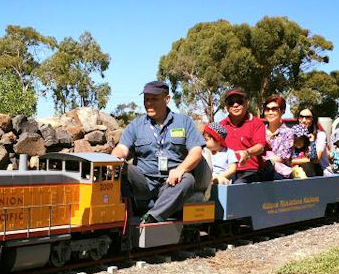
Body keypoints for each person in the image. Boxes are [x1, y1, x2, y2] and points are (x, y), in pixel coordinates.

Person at [112, 81, 206, 223]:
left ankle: (152, 217)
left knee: (188, 179)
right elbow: (122, 148)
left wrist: (180, 170)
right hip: (143, 183)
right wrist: (115, 157)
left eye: (154, 99)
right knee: (121, 167)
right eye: (146, 99)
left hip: (171, 183)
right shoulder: (136, 125)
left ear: (166, 99)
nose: (149, 103)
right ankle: (122, 213)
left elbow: (196, 152)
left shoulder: (183, 122)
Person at [219, 89, 266, 183]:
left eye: (239, 101)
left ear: (247, 103)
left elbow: (260, 147)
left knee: (237, 187)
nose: (235, 105)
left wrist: (247, 153)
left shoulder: (257, 123)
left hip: (250, 171)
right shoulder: (221, 125)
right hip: (227, 171)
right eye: (231, 102)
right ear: (226, 107)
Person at [262, 95, 294, 180]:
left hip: (280, 175)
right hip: (260, 170)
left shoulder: (288, 132)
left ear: (282, 111)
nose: (270, 112)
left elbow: (282, 157)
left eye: (274, 109)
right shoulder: (259, 131)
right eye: (267, 109)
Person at [297, 107, 330, 173]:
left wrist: (312, 142)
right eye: (301, 117)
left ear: (313, 119)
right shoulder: (294, 135)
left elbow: (316, 160)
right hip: (299, 172)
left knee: (306, 166)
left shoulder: (320, 135)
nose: (303, 120)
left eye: (307, 117)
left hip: (320, 172)